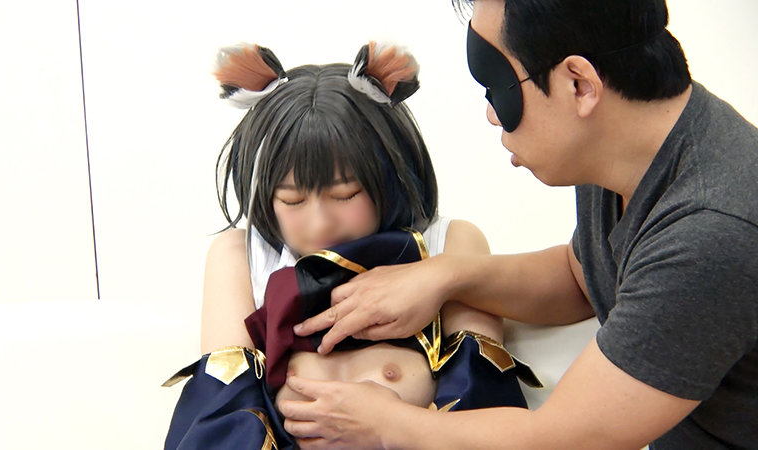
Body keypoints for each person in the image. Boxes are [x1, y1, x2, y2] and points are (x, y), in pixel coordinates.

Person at [278, 0, 758, 448]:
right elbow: (583, 278)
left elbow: (563, 439)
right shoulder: (630, 150)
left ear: (579, 85)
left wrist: (385, 423)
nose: (492, 114)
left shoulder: (709, 234)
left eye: (499, 88)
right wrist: (445, 275)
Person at [162, 40, 539, 450]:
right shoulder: (240, 254)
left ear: (390, 176)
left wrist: (393, 425)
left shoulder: (448, 242)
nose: (320, 222)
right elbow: (225, 402)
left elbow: (480, 391)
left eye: (345, 195)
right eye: (292, 200)